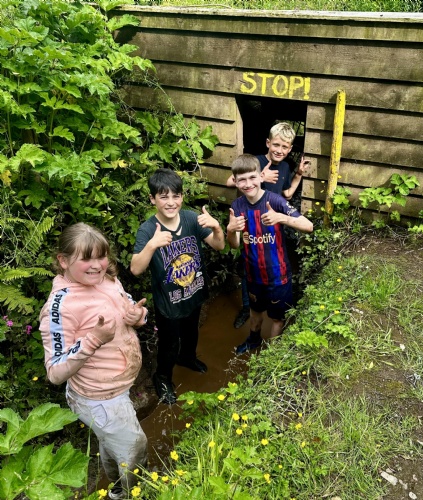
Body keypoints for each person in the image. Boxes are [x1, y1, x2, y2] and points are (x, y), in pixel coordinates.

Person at [39, 223, 148, 500]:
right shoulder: (60, 306)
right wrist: (93, 340)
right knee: (135, 449)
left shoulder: (108, 279)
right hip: (98, 399)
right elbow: (55, 372)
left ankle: (116, 487)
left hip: (117, 389)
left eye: (101, 256)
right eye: (86, 259)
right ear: (63, 260)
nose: (97, 265)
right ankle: (131, 494)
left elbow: (127, 304)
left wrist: (137, 316)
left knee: (114, 444)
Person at [130, 168, 225, 405]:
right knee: (169, 344)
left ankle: (187, 358)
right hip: (168, 302)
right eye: (164, 197)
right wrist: (152, 245)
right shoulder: (148, 229)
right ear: (152, 199)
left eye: (176, 196)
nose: (171, 202)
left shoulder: (192, 219)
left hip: (193, 292)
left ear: (182, 197)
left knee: (192, 333)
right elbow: (135, 268)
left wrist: (217, 228)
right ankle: (162, 377)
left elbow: (219, 246)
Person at [226, 154, 313, 354]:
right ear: (235, 182)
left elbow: (308, 226)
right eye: (242, 180)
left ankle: (271, 356)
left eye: (252, 177)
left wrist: (281, 217)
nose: (248, 184)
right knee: (255, 313)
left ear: (261, 176)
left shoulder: (275, 200)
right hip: (253, 275)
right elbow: (234, 244)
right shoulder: (237, 206)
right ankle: (253, 341)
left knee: (277, 318)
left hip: (278, 276)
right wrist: (230, 230)